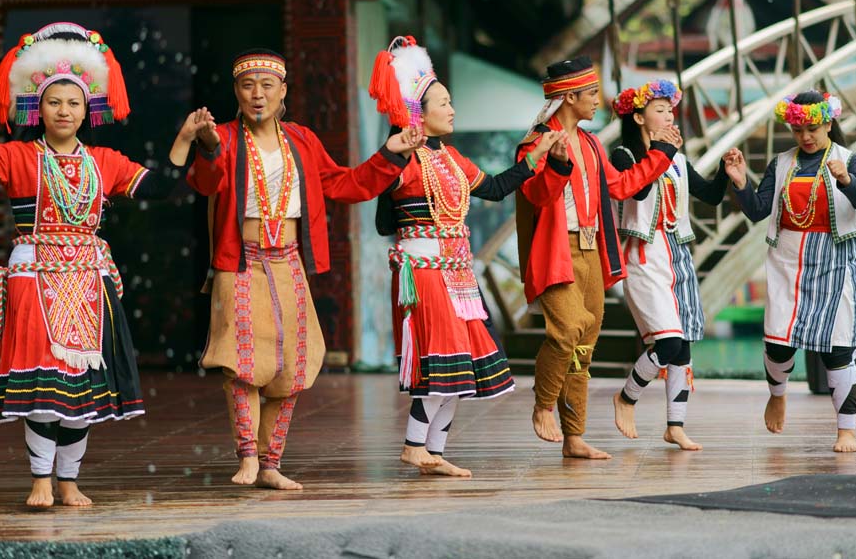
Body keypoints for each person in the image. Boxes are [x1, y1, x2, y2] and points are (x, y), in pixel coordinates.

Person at [0, 22, 208, 507]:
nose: (64, 111)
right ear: (37, 108)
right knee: (44, 382)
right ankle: (41, 478)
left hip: (89, 279)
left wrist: (185, 138)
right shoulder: (17, 155)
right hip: (34, 274)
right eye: (54, 102)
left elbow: (162, 188)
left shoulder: (104, 161)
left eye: (74, 103)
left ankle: (68, 481)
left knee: (83, 388)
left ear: (88, 110)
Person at [187, 49, 424, 490]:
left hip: (288, 259)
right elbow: (204, 183)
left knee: (292, 365)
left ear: (283, 92)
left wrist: (389, 155)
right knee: (241, 363)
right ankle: (247, 457)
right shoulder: (221, 135)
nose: (257, 95)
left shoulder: (301, 139)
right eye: (247, 86)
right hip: (241, 260)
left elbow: (344, 184)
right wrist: (206, 146)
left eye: (267, 86)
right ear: (236, 93)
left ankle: (271, 462)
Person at [369, 36, 566, 477]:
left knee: (461, 368)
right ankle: (414, 445)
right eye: (444, 102)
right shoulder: (402, 159)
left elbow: (494, 189)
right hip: (424, 272)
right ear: (418, 113)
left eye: (451, 100)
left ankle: (432, 451)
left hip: (457, 273)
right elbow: (385, 222)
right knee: (441, 362)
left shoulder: (453, 157)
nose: (452, 108)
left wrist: (535, 158)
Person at [516, 56, 681, 459]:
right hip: (557, 250)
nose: (597, 101)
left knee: (585, 344)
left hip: (591, 249)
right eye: (591, 94)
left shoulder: (590, 143)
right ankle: (543, 405)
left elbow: (622, 187)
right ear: (569, 97)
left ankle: (574, 436)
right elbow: (534, 195)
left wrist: (660, 154)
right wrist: (554, 166)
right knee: (568, 329)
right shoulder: (536, 141)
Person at [723, 90, 856, 452]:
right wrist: (741, 180)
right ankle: (778, 394)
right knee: (777, 341)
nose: (804, 136)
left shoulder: (850, 159)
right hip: (789, 260)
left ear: (828, 123)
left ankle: (846, 429)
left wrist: (847, 182)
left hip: (836, 261)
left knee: (837, 349)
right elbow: (760, 210)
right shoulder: (782, 163)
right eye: (797, 130)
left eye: (811, 128)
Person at [609, 80, 728, 450]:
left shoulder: (675, 158)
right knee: (668, 341)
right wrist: (660, 151)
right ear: (640, 117)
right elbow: (637, 190)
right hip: (642, 254)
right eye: (660, 111)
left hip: (676, 253)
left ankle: (675, 425)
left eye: (670, 110)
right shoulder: (623, 156)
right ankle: (626, 397)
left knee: (684, 344)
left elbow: (709, 194)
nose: (669, 116)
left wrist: (727, 171)